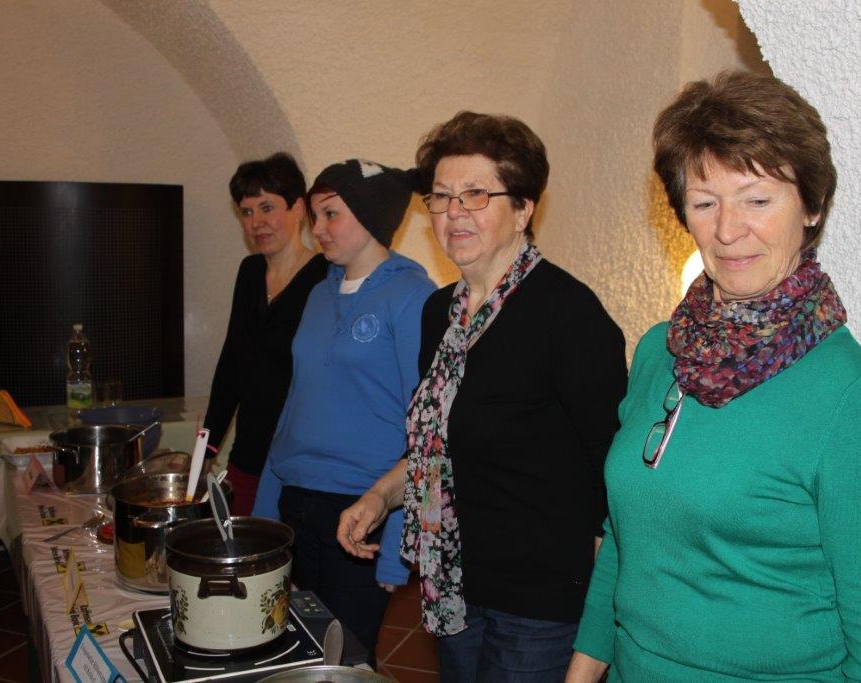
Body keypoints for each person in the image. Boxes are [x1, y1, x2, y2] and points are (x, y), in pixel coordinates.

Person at [567, 71, 861, 681]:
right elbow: (623, 541)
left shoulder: (853, 396)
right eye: (705, 203)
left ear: (811, 206)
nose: (728, 230)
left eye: (757, 199)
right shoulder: (659, 352)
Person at [337, 112, 628, 682]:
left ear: (522, 209)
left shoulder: (567, 314)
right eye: (441, 197)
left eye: (475, 194)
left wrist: (602, 606)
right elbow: (438, 445)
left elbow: (612, 464)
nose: (454, 213)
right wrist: (379, 497)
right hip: (454, 585)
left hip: (539, 600)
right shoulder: (437, 313)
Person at [252, 159, 435, 662]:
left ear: (371, 218)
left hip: (361, 512)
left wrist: (396, 547)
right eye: (315, 215)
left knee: (346, 658)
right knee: (298, 651)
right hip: (296, 504)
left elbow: (424, 431)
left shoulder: (412, 296)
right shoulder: (317, 294)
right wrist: (266, 509)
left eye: (331, 214)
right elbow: (295, 405)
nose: (318, 229)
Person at [203, 153, 328, 515]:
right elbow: (232, 363)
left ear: (298, 209)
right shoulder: (250, 272)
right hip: (247, 455)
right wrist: (206, 449)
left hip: (298, 464)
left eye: (267, 207)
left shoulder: (325, 277)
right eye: (246, 212)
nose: (256, 222)